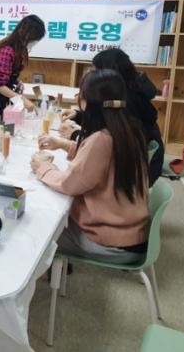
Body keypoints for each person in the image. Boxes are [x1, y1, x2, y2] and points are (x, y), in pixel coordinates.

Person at [31, 69, 149, 264]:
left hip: (111, 242)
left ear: (88, 102)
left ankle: (51, 272)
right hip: (132, 234)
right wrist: (64, 144)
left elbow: (70, 184)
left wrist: (42, 168)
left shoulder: (101, 139)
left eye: (80, 95)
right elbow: (101, 160)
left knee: (36, 228)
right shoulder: (130, 129)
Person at [60, 48, 164, 186]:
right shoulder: (130, 91)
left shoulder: (127, 102)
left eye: (97, 70)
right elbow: (107, 119)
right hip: (141, 163)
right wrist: (78, 115)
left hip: (136, 174)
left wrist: (75, 135)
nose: (95, 75)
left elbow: (107, 143)